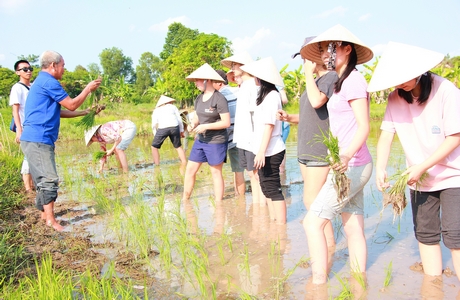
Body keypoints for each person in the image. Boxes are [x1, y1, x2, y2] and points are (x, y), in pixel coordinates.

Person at [369, 41, 460, 281]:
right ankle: (433, 289)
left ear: (419, 69)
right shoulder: (395, 98)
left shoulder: (446, 90)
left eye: (405, 77)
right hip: (418, 178)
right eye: (396, 79)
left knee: (455, 238)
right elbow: (386, 136)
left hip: (453, 175)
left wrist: (422, 166)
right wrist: (380, 168)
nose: (401, 83)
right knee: (426, 235)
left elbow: (455, 137)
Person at [301, 25, 374, 284]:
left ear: (347, 49)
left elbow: (364, 126)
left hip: (353, 165)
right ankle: (359, 285)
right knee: (353, 227)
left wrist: (344, 156)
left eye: (330, 48)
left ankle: (318, 284)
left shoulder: (353, 80)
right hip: (350, 165)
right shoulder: (341, 81)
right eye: (322, 49)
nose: (325, 54)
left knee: (312, 223)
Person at [20, 50, 101, 231]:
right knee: (49, 179)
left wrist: (85, 112)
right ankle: (51, 220)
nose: (64, 69)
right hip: (38, 138)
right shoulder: (49, 82)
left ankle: (44, 216)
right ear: (53, 65)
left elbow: (60, 111)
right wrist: (88, 89)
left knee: (42, 179)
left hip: (34, 138)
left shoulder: (41, 82)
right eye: (63, 65)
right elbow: (71, 103)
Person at [277, 36, 339, 271]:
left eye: (309, 55)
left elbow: (317, 102)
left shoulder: (331, 77)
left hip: (318, 148)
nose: (305, 60)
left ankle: (326, 248)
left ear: (324, 54)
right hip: (305, 147)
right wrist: (290, 118)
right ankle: (330, 246)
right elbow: (312, 114)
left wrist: (306, 74)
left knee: (310, 200)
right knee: (318, 201)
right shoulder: (315, 80)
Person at [240, 57, 287, 224]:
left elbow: (269, 126)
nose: (254, 79)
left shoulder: (273, 95)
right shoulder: (264, 96)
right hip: (263, 149)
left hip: (271, 149)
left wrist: (261, 153)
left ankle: (281, 226)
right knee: (266, 187)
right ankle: (275, 221)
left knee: (273, 188)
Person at [221, 52, 266, 205]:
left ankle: (262, 210)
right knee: (252, 175)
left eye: (234, 65)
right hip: (244, 140)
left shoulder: (253, 86)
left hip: (252, 140)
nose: (232, 69)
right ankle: (259, 210)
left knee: (257, 176)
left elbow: (258, 117)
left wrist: (259, 145)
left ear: (244, 66)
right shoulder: (244, 86)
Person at [182, 63, 230, 202]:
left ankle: (219, 204)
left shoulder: (219, 98)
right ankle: (185, 200)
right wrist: (193, 125)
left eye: (197, 80)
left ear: (206, 80)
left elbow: (225, 122)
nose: (195, 83)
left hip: (216, 141)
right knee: (190, 170)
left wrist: (206, 126)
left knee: (215, 172)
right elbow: (198, 116)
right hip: (201, 140)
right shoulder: (199, 98)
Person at [214, 69, 245, 196]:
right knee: (238, 170)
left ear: (220, 83)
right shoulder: (235, 92)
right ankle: (240, 199)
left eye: (212, 81)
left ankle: (239, 200)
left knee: (219, 171)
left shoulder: (219, 97)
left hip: (226, 137)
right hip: (238, 136)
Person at [9, 59, 34, 193]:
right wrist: (19, 129)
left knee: (33, 156)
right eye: (25, 69)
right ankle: (28, 188)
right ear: (17, 72)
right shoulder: (17, 88)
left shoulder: (33, 86)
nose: (28, 71)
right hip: (25, 127)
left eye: (30, 69)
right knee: (28, 156)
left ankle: (32, 184)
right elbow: (15, 110)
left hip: (34, 127)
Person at [151, 95, 187, 166]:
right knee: (178, 146)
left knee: (154, 147)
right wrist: (181, 130)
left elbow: (154, 124)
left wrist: (155, 134)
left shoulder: (156, 110)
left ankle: (157, 164)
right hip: (174, 127)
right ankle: (184, 162)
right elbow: (179, 120)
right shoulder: (173, 107)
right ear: (168, 102)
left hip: (163, 128)